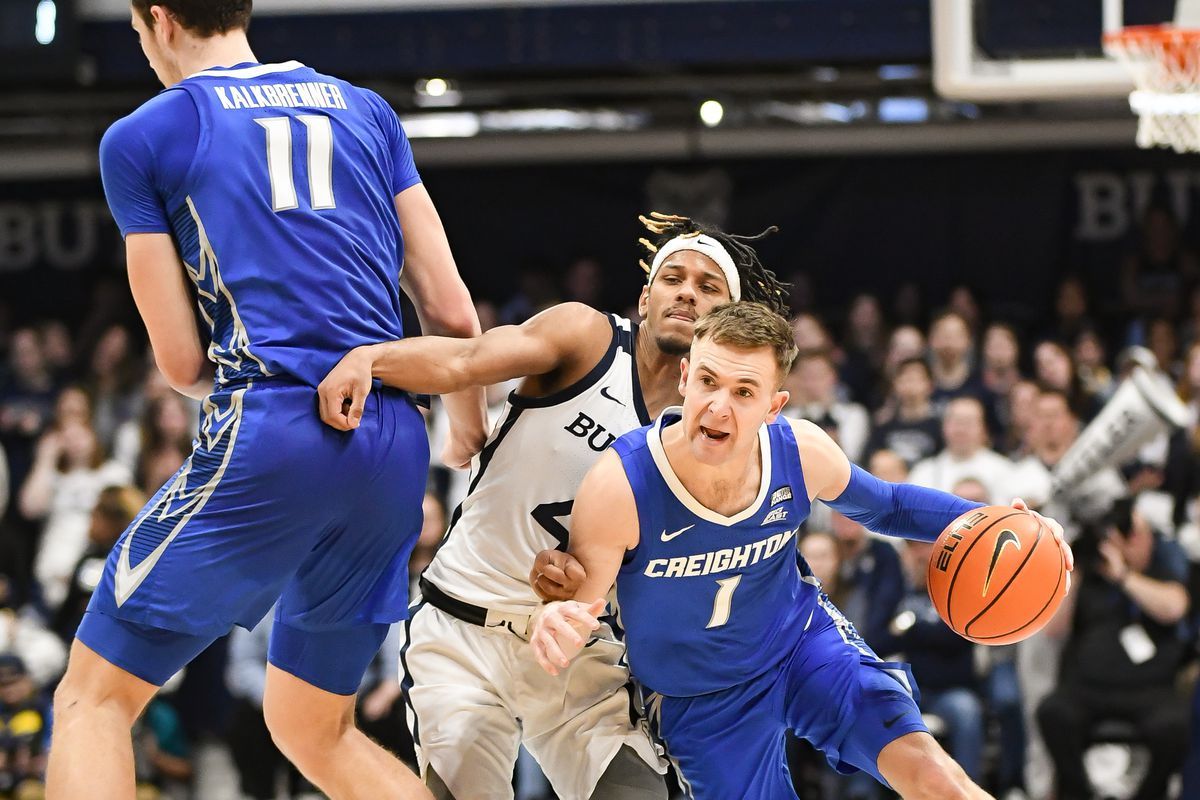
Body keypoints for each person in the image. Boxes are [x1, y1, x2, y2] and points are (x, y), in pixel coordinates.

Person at [47, 2, 483, 799]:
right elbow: (454, 318)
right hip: (395, 437)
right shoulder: (367, 111)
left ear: (155, 19)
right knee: (315, 729)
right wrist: (469, 428)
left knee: (93, 697)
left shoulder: (145, 134)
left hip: (279, 426)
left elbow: (181, 360)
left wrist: (281, 403)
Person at [317, 211, 790, 799]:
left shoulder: (716, 437)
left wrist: (597, 583)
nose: (688, 292)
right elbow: (468, 360)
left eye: (708, 286)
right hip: (467, 624)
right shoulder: (587, 338)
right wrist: (372, 361)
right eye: (674, 278)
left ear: (725, 320)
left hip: (580, 652)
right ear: (646, 298)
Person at [530, 302, 1073, 799]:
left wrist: (1005, 523)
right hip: (698, 696)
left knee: (936, 777)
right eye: (708, 381)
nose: (718, 406)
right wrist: (558, 619)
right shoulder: (622, 485)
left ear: (774, 406)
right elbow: (584, 608)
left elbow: (888, 505)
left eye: (744, 391)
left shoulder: (800, 451)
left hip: (802, 647)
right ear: (684, 377)